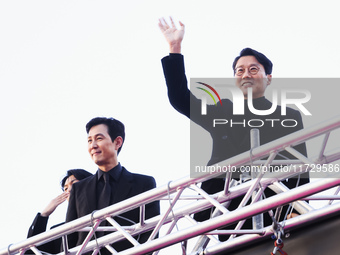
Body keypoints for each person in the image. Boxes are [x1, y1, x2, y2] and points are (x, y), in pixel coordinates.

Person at [159, 17, 309, 231]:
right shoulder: (224, 110)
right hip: (224, 211)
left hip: (273, 209)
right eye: (240, 71)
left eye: (253, 69)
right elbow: (181, 98)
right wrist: (175, 48)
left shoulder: (288, 115)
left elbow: (300, 165)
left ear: (268, 77)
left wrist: (300, 206)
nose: (246, 74)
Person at [65, 117, 160, 253]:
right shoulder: (79, 189)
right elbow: (69, 237)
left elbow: (151, 235)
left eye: (99, 138)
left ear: (117, 142)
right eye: (89, 140)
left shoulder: (144, 184)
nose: (93, 145)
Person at [26, 169, 92, 254]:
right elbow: (31, 250)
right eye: (65, 188)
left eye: (74, 183)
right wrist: (43, 215)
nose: (69, 190)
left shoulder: (107, 214)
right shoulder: (58, 232)